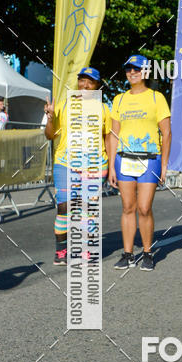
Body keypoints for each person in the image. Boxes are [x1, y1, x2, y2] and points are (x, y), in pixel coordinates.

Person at [108, 55, 171, 271]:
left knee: (144, 208)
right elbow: (113, 135)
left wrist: (164, 165)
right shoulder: (119, 99)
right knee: (127, 207)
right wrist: (110, 168)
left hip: (149, 159)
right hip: (123, 158)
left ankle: (147, 253)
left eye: (137, 69)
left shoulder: (156, 98)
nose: (132, 73)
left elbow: (167, 132)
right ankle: (127, 254)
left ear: (145, 72)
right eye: (128, 69)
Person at [43, 67, 110, 265]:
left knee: (88, 209)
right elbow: (50, 135)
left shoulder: (104, 109)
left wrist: (111, 168)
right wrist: (50, 118)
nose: (85, 85)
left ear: (98, 86)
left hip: (95, 165)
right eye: (82, 80)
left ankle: (87, 250)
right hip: (66, 164)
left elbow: (108, 140)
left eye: (90, 82)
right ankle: (61, 251)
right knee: (64, 207)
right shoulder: (64, 106)